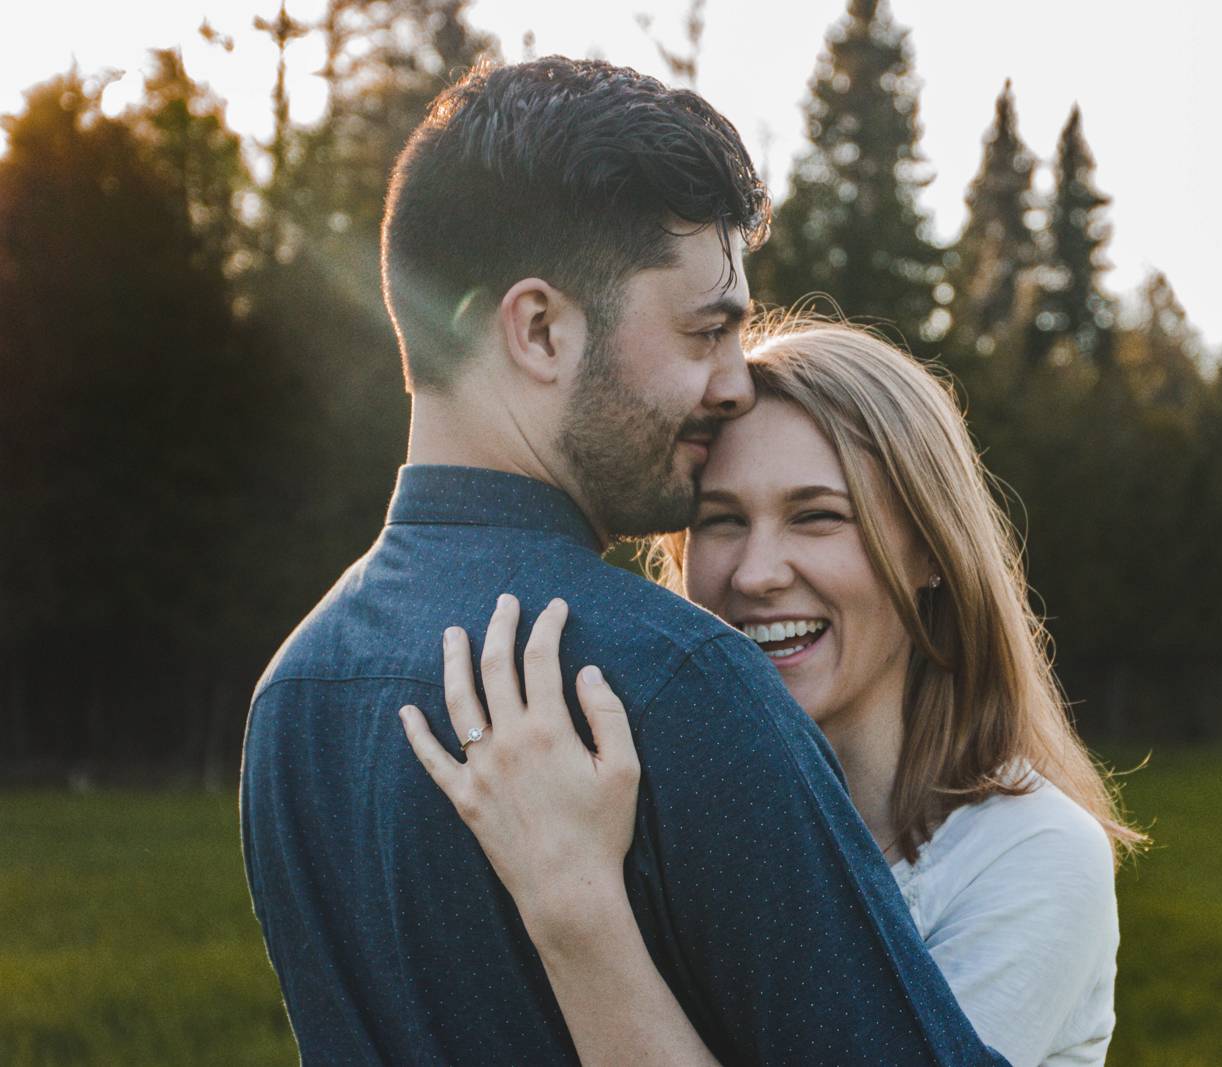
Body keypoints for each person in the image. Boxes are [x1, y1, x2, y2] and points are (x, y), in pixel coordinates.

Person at [239, 57, 1013, 1064]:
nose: (736, 383)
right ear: (541, 328)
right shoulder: (672, 683)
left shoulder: (294, 697)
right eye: (705, 330)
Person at [402, 317, 1147, 1066]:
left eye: (817, 517)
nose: (757, 573)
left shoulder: (1029, 855)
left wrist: (573, 906)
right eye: (723, 521)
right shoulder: (650, 814)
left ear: (932, 551)